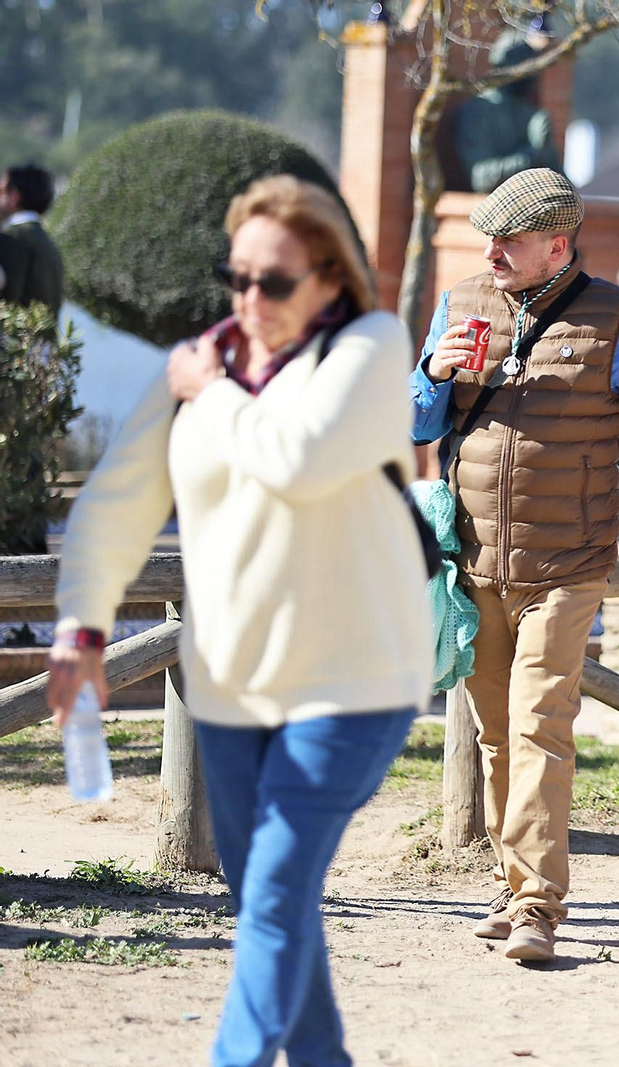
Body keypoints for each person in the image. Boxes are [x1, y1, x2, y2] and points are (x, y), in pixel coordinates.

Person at [47, 175, 430, 1066]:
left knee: (276, 891)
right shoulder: (200, 363)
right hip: (228, 687)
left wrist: (213, 391)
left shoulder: (371, 345)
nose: (250, 299)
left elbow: (298, 460)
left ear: (329, 278)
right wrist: (81, 628)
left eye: (275, 281)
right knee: (269, 898)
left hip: (353, 682)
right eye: (237, 277)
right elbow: (114, 505)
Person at [410, 167, 619, 963]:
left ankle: (536, 905)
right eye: (487, 238)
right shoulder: (461, 304)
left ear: (558, 245)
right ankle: (511, 882)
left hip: (569, 563)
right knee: (495, 734)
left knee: (539, 724)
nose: (492, 252)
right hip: (474, 561)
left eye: (509, 240)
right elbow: (414, 423)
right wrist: (432, 375)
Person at [454, 28, 563, 193]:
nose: (533, 75)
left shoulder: (530, 115)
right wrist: (533, 153)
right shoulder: (478, 111)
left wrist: (545, 151)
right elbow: (481, 179)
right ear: (505, 65)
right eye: (525, 65)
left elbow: (561, 183)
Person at [0, 163, 64, 317]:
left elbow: (8, 301)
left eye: (1, 191)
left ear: (14, 197)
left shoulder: (12, 237)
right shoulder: (49, 242)